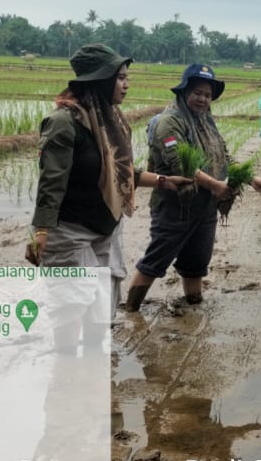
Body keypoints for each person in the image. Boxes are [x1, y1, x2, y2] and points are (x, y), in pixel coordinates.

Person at [26, 44, 189, 332]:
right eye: (120, 77)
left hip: (106, 227)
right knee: (71, 306)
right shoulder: (64, 123)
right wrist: (41, 231)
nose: (127, 84)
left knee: (101, 309)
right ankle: (65, 369)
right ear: (100, 81)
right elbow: (52, 181)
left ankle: (95, 365)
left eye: (127, 77)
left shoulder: (111, 119)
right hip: (71, 230)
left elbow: (120, 173)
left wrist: (164, 181)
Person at [124, 64, 261, 311]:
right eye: (197, 93)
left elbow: (223, 156)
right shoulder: (169, 123)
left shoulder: (206, 120)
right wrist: (216, 186)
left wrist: (249, 178)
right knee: (155, 261)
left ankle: (193, 306)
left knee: (196, 264)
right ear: (184, 92)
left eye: (207, 94)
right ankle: (130, 311)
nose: (203, 99)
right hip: (175, 207)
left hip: (204, 207)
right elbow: (181, 165)